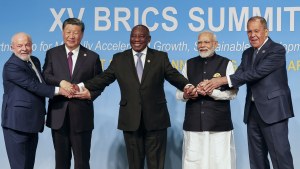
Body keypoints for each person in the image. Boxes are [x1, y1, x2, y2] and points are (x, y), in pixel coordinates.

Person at [73, 24, 193, 169]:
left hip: (156, 120)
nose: (136, 39)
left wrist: (187, 86)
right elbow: (104, 78)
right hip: (130, 119)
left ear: (149, 39)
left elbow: (173, 75)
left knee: (156, 164)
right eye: (133, 36)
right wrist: (81, 86)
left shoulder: (160, 57)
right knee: (134, 164)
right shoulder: (119, 58)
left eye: (141, 36)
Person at [203, 16, 294, 169]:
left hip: (273, 112)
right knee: (256, 160)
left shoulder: (277, 50)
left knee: (280, 158)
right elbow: (238, 77)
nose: (252, 35)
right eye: (249, 32)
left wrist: (221, 80)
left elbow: (256, 73)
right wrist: (211, 85)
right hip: (252, 112)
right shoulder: (247, 53)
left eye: (256, 31)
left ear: (266, 31)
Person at [1, 32, 68, 169]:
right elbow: (33, 86)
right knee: (20, 166)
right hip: (16, 123)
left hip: (32, 122)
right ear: (12, 47)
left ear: (32, 46)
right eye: (19, 45)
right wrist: (59, 90)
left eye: (27, 44)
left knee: (28, 165)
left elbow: (41, 82)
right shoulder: (11, 66)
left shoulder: (34, 60)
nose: (24, 48)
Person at [42, 18, 102, 169]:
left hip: (82, 116)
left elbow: (99, 82)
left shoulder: (92, 57)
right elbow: (46, 76)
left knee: (82, 162)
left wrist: (91, 94)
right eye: (68, 32)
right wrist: (61, 82)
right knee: (61, 162)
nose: (71, 36)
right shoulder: (52, 53)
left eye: (75, 32)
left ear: (82, 34)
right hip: (58, 115)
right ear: (62, 32)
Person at [176, 31, 238, 169]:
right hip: (193, 125)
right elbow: (179, 94)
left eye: (206, 42)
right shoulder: (189, 64)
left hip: (219, 125)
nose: (202, 45)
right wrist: (187, 94)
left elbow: (233, 94)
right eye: (199, 42)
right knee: (193, 163)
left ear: (215, 44)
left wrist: (212, 92)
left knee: (221, 163)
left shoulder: (226, 63)